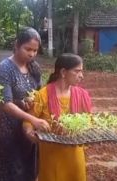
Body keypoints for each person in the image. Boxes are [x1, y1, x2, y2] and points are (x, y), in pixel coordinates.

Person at [0, 27, 50, 181]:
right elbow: (6, 104)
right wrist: (34, 119)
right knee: (9, 172)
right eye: (27, 49)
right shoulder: (4, 69)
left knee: (28, 170)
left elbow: (40, 93)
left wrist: (33, 103)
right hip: (7, 130)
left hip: (27, 128)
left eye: (35, 50)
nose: (31, 54)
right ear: (17, 45)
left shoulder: (33, 67)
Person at [23, 53, 92, 181]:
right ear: (63, 72)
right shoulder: (43, 95)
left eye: (81, 72)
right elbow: (28, 120)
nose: (81, 76)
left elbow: (88, 121)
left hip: (75, 153)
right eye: (77, 71)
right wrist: (29, 132)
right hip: (51, 155)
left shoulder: (82, 95)